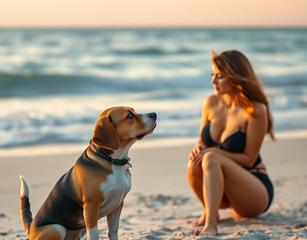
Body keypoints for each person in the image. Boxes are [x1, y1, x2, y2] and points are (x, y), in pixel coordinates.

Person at [187, 50, 274, 236]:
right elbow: (202, 144)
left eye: (219, 76)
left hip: (254, 191)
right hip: (222, 188)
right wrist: (198, 150)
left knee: (210, 157)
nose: (213, 82)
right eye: (212, 75)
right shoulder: (210, 103)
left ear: (236, 77)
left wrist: (212, 152)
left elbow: (249, 160)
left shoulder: (256, 110)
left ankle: (211, 225)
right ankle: (210, 212)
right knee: (194, 161)